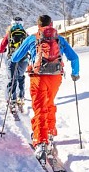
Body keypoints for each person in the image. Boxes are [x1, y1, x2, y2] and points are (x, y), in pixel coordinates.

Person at [10, 14, 79, 162]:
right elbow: (74, 58)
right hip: (55, 77)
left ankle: (40, 141)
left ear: (38, 26)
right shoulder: (59, 39)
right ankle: (50, 132)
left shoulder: (32, 39)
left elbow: (15, 58)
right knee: (49, 103)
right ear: (51, 24)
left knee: (39, 107)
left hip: (38, 78)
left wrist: (24, 55)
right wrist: (75, 73)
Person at [0, 16, 29, 111]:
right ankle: (21, 97)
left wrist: (5, 50)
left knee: (12, 79)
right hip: (23, 59)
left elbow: (0, 49)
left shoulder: (9, 34)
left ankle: (12, 100)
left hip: (11, 58)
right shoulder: (26, 34)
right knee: (21, 77)